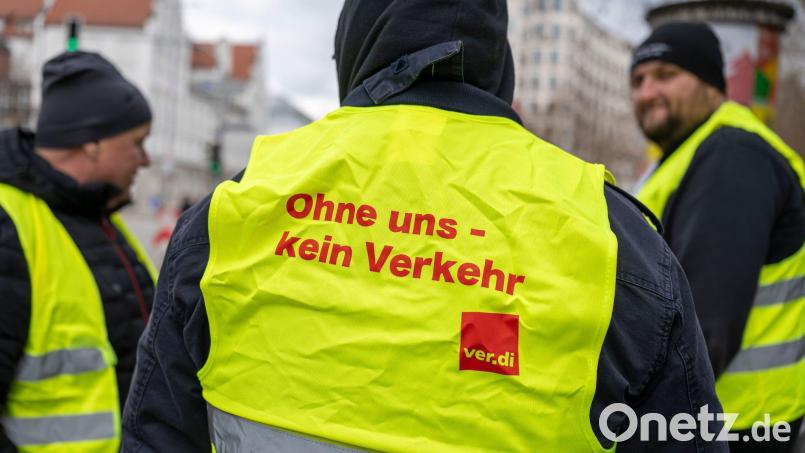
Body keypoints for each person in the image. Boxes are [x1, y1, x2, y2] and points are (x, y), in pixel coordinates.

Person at [123, 1, 725, 451]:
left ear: (355, 49)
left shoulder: (242, 203)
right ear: (498, 62)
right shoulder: (610, 235)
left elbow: (159, 432)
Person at [631, 22, 805, 452]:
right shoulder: (692, 153)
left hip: (727, 425)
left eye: (666, 75)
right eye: (638, 80)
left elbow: (706, 327)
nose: (647, 91)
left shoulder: (733, 157)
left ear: (711, 84)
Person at [0, 51, 156, 451]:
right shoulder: (10, 225)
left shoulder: (100, 216)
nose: (146, 159)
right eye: (137, 143)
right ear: (92, 143)